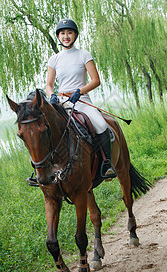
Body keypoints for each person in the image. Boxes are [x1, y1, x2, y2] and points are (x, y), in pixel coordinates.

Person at [46, 19, 117, 179]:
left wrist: (79, 91)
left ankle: (107, 165)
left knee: (100, 124)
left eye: (69, 33)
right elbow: (49, 85)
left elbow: (95, 80)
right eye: (62, 33)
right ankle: (45, 169)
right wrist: (52, 96)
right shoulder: (54, 59)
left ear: (75, 35)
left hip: (81, 100)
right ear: (58, 36)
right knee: (46, 129)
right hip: (62, 102)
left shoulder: (84, 54)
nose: (66, 36)